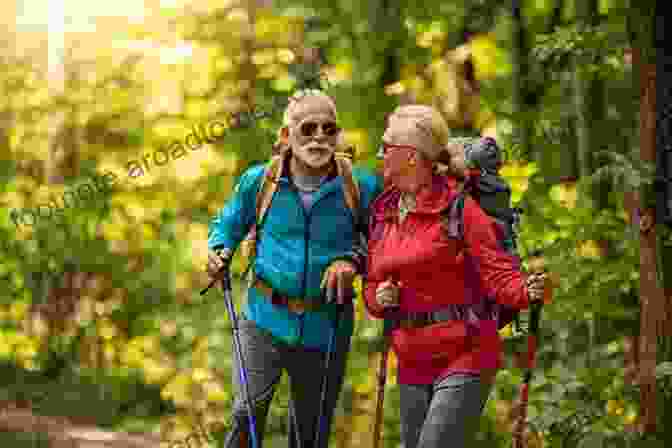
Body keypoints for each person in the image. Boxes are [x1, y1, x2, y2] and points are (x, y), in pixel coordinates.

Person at [363, 105, 547, 448]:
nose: (380, 154)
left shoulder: (460, 208)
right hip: (412, 359)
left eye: (387, 147)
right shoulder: (385, 210)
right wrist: (378, 297)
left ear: (412, 157)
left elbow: (499, 274)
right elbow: (373, 282)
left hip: (466, 351)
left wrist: (527, 289)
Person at [207, 89, 381, 448]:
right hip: (263, 317)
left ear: (338, 135)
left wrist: (352, 261)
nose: (318, 137)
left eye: (328, 129)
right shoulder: (260, 181)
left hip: (327, 323)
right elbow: (227, 224)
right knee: (246, 412)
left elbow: (383, 240)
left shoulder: (360, 186)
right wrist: (219, 250)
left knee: (310, 432)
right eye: (307, 128)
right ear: (286, 136)